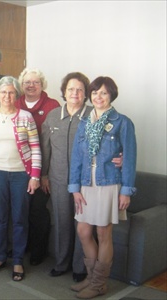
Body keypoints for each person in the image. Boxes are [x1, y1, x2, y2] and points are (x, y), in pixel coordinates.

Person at [68, 76, 137, 299]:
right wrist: (75, 187)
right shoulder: (85, 122)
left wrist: (126, 189)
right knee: (83, 230)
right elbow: (77, 156)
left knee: (103, 232)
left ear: (111, 96)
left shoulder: (122, 122)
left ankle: (98, 284)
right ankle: (92, 276)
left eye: (104, 93)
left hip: (109, 183)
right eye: (95, 92)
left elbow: (130, 158)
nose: (99, 97)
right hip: (87, 183)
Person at [0, 76, 42, 281]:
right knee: (0, 217)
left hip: (21, 175)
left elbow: (35, 147)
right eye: (3, 92)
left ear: (16, 94)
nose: (7, 96)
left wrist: (35, 176)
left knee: (20, 218)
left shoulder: (26, 117)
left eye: (11, 92)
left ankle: (17, 260)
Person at [41, 72, 91, 281]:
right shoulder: (53, 116)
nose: (75, 93)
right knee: (61, 221)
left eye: (79, 89)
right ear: (64, 92)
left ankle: (80, 267)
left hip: (85, 182)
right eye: (71, 89)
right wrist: (44, 174)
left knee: (82, 223)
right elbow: (45, 148)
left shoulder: (93, 115)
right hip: (58, 179)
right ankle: (61, 263)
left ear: (85, 93)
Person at [15, 68, 60, 266]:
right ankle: (21, 246)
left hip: (43, 169)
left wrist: (45, 174)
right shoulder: (15, 104)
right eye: (27, 82)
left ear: (42, 85)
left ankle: (38, 250)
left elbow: (54, 144)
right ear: (21, 85)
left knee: (37, 210)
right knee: (20, 210)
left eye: (35, 82)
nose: (31, 85)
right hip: (17, 168)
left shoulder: (53, 106)